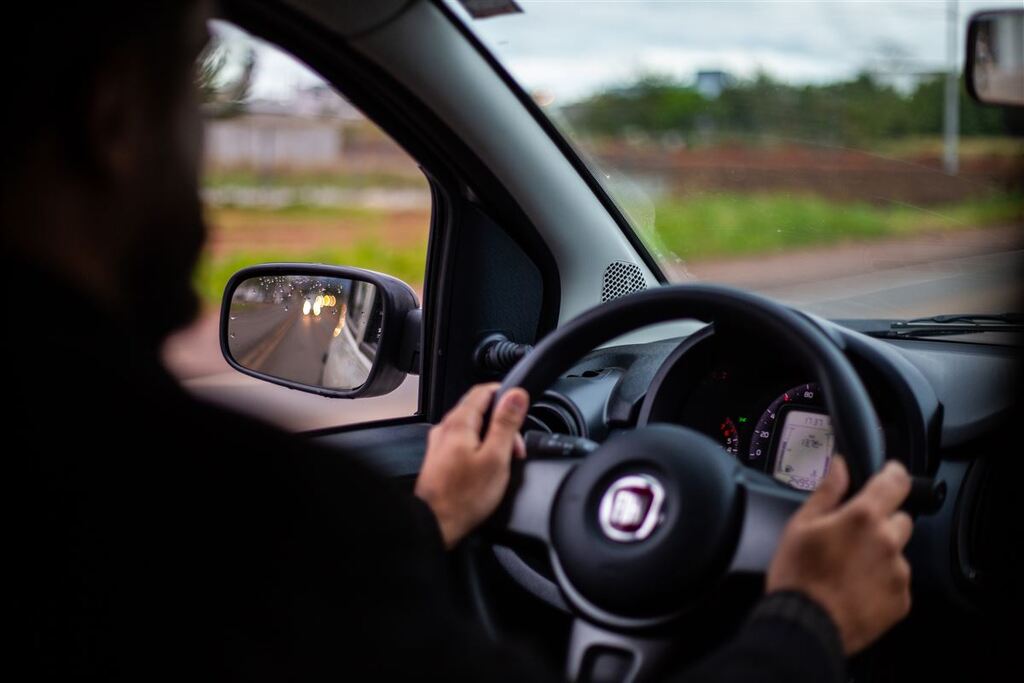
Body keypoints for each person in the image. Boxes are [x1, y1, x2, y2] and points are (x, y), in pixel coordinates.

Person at [5, 2, 913, 681]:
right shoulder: (246, 514)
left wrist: (430, 516)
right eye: (194, 105)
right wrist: (808, 616)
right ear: (115, 119)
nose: (200, 155)